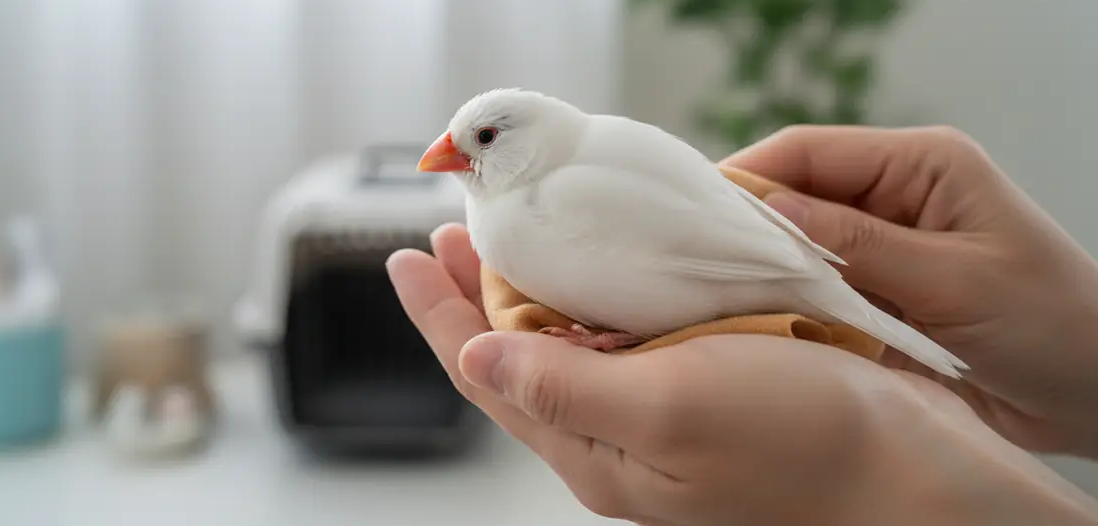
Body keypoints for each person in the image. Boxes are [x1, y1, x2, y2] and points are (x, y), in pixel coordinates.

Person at [386, 125, 1098, 525]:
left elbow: (692, 252)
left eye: (480, 139)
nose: (453, 154)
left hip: (742, 268)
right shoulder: (585, 159)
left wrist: (876, 459)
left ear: (530, 136)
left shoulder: (554, 196)